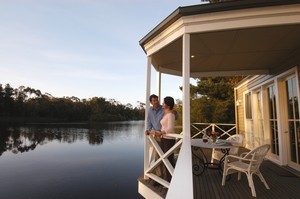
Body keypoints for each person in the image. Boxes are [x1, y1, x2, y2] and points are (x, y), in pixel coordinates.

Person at [160, 96, 176, 181]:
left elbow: (170, 128)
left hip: (169, 139)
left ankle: (171, 180)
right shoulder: (165, 113)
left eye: (164, 102)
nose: (162, 104)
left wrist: (160, 132)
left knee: (168, 160)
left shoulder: (170, 115)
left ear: (168, 105)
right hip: (163, 138)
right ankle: (169, 178)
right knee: (165, 160)